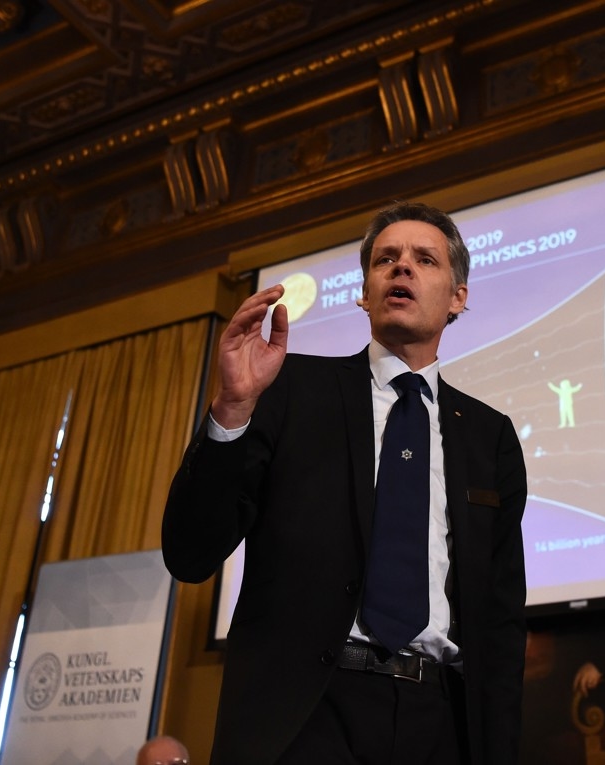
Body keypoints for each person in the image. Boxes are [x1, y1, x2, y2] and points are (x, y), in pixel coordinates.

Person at [163, 201, 528, 764]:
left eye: (424, 259)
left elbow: (500, 620)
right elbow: (190, 553)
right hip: (306, 716)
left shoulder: (489, 435)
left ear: (458, 297)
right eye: (386, 259)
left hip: (439, 721)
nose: (401, 267)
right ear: (363, 293)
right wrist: (233, 408)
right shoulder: (289, 389)